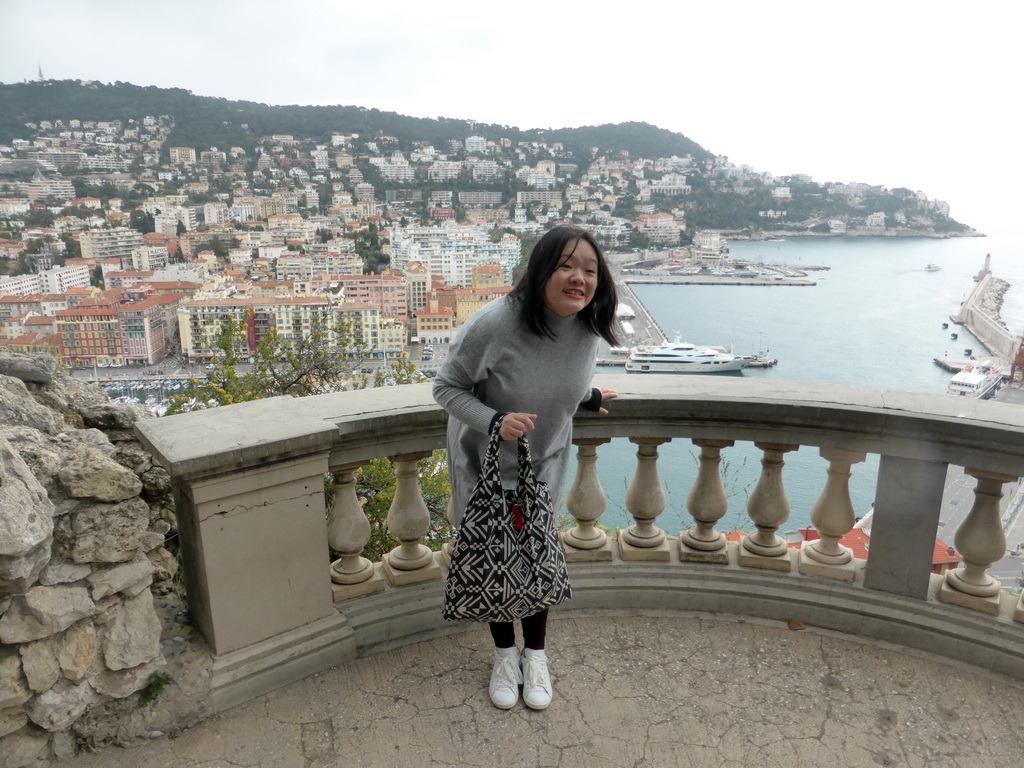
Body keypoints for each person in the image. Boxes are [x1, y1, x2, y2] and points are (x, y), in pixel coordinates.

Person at [433, 225, 620, 710]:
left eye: (590, 269)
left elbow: (554, 379)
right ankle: (504, 655)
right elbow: (446, 389)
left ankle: (534, 655)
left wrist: (588, 396)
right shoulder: (496, 323)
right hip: (486, 461)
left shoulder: (585, 325)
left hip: (545, 459)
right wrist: (495, 421)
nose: (578, 278)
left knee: (535, 554)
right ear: (540, 270)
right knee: (497, 555)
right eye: (566, 265)